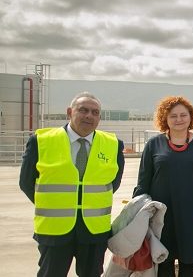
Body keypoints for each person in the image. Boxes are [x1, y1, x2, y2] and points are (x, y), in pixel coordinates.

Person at [19, 92, 125, 277]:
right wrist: (54, 203)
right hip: (54, 231)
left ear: (99, 117)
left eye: (95, 112)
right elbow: (26, 183)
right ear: (69, 112)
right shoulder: (42, 141)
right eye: (83, 110)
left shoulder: (114, 145)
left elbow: (113, 184)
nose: (89, 116)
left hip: (94, 231)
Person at [134, 96, 193, 276]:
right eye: (173, 116)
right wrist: (140, 213)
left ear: (191, 117)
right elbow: (143, 182)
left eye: (183, 115)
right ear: (164, 119)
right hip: (160, 215)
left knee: (187, 263)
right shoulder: (154, 144)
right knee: (163, 262)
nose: (179, 119)